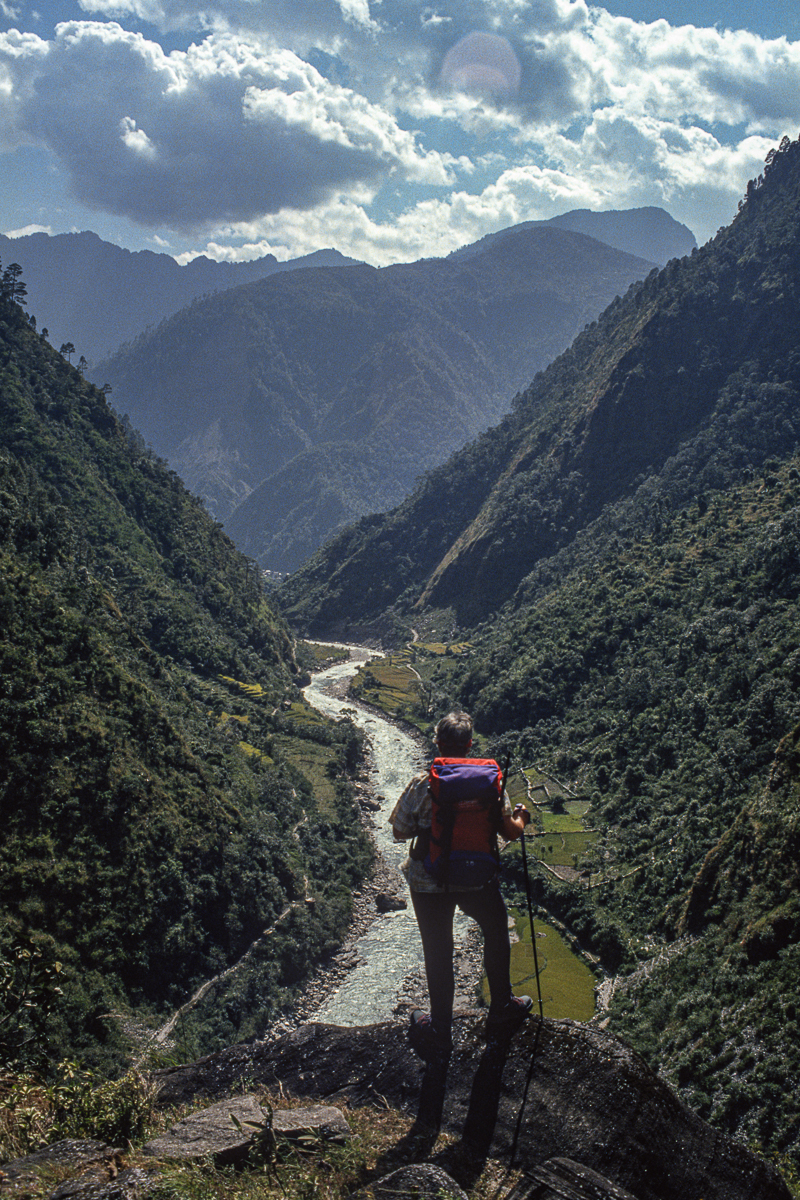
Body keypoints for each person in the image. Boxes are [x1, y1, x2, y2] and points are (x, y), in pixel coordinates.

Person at [390, 710, 532, 1059]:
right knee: (496, 930)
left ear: (437, 743)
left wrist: (433, 827)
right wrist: (522, 819)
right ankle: (502, 1005)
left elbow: (398, 831)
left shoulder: (422, 784)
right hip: (476, 879)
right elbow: (509, 832)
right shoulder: (490, 783)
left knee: (438, 951)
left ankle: (440, 1029)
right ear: (470, 745)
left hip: (428, 880)